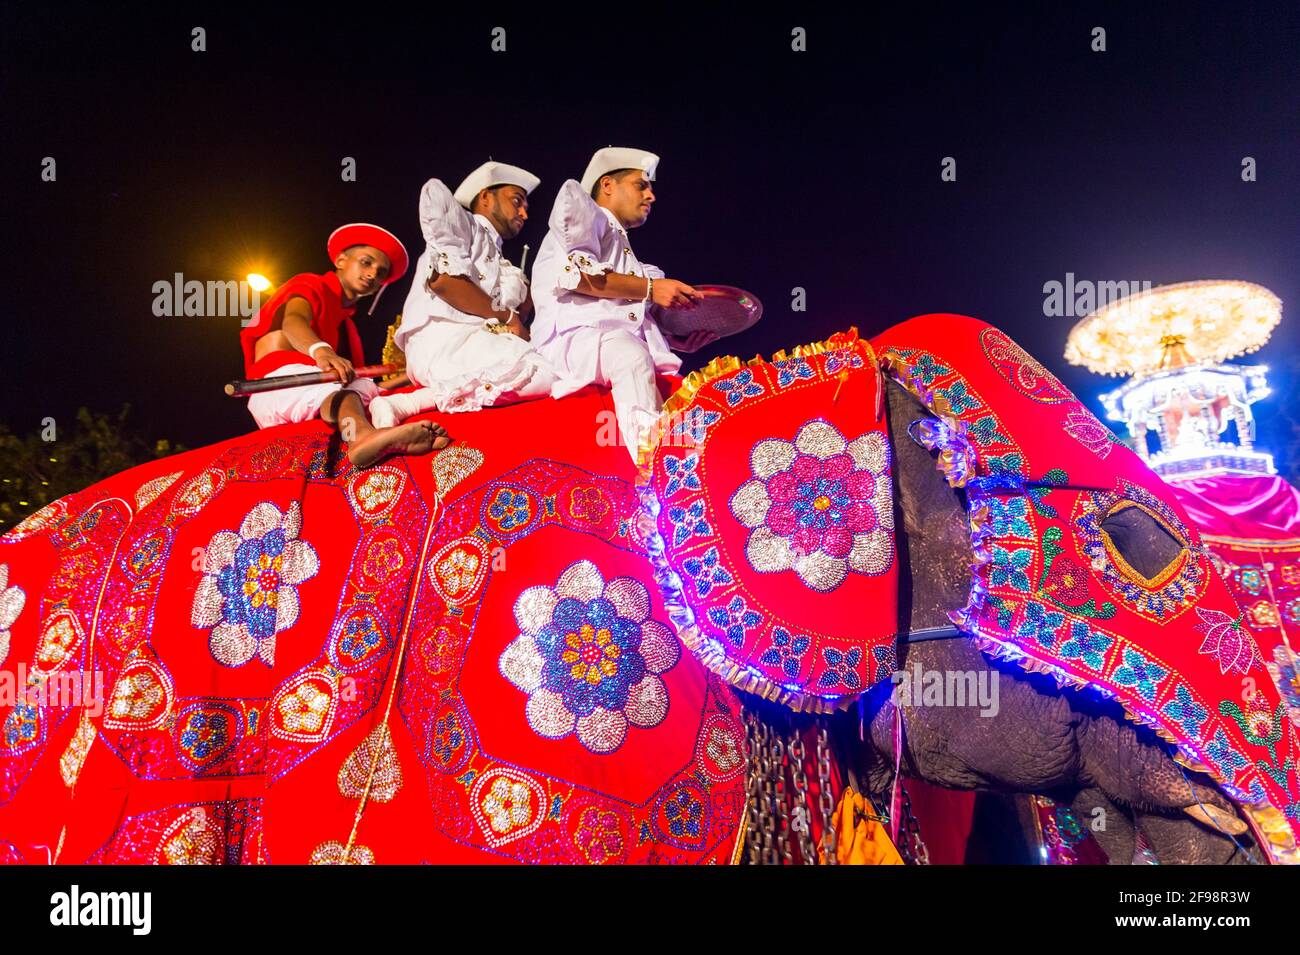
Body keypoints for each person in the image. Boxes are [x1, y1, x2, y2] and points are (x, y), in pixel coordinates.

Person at [530, 147, 716, 460]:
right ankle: (653, 475)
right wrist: (651, 288)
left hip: (604, 340)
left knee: (665, 389)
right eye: (640, 185)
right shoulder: (585, 219)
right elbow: (580, 277)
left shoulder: (622, 246)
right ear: (607, 186)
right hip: (573, 340)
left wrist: (674, 340)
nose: (651, 196)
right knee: (631, 359)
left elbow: (619, 310)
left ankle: (677, 469)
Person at [240, 223, 450, 466]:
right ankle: (361, 437)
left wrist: (410, 375)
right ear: (341, 260)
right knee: (345, 394)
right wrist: (321, 350)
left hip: (312, 392)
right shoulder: (311, 283)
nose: (373, 274)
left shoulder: (347, 325)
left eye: (381, 272)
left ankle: (389, 430)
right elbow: (293, 321)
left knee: (371, 391)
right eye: (366, 262)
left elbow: (356, 380)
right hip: (277, 385)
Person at [367, 162, 556, 426]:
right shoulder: (463, 227)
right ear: (486, 197)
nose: (524, 213)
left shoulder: (503, 263)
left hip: (479, 345)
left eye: (526, 207)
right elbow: (444, 282)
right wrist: (507, 316)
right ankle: (407, 403)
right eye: (517, 201)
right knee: (546, 374)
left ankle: (406, 402)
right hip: (444, 342)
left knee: (555, 362)